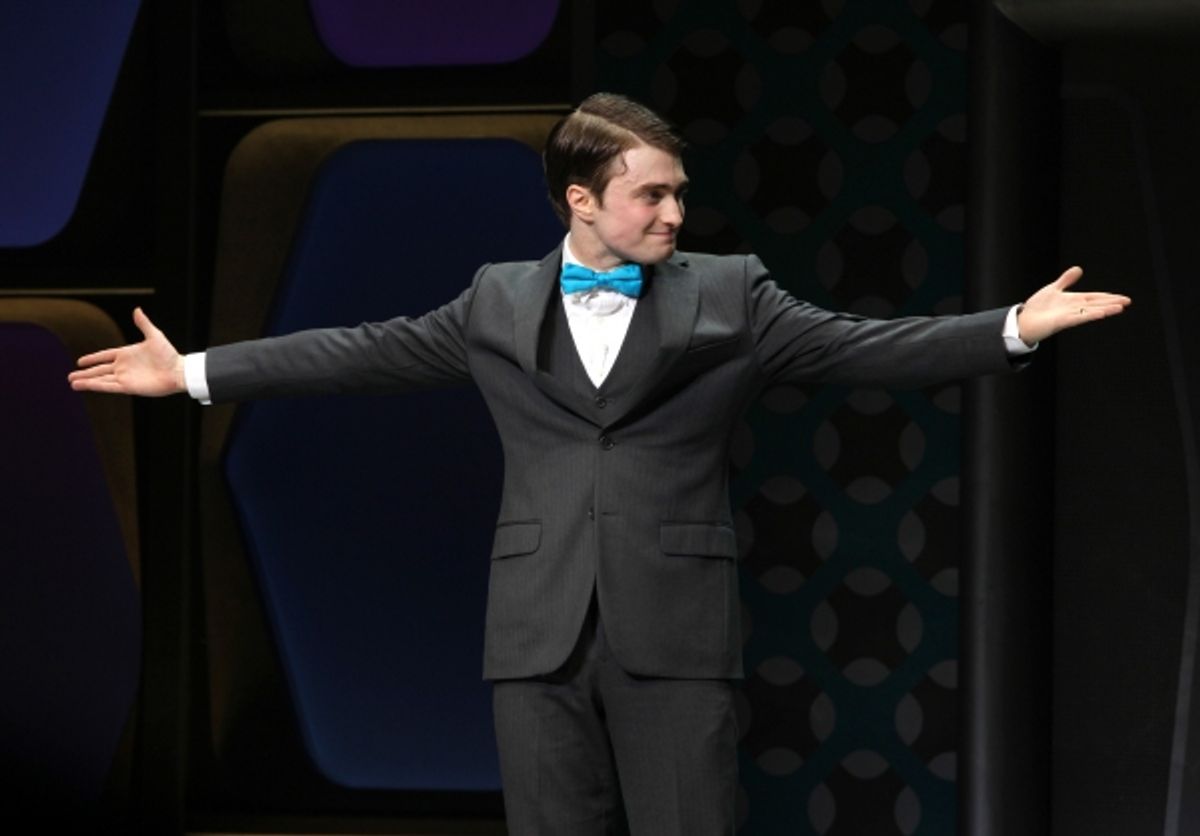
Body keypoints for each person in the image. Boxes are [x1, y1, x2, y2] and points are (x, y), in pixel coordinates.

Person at [69, 92, 1130, 835]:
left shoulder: (733, 293)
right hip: (535, 627)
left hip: (673, 620)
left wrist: (1011, 328)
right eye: (651, 195)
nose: (674, 213)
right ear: (580, 199)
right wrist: (198, 370)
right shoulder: (495, 299)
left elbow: (866, 346)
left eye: (678, 194)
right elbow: (360, 349)